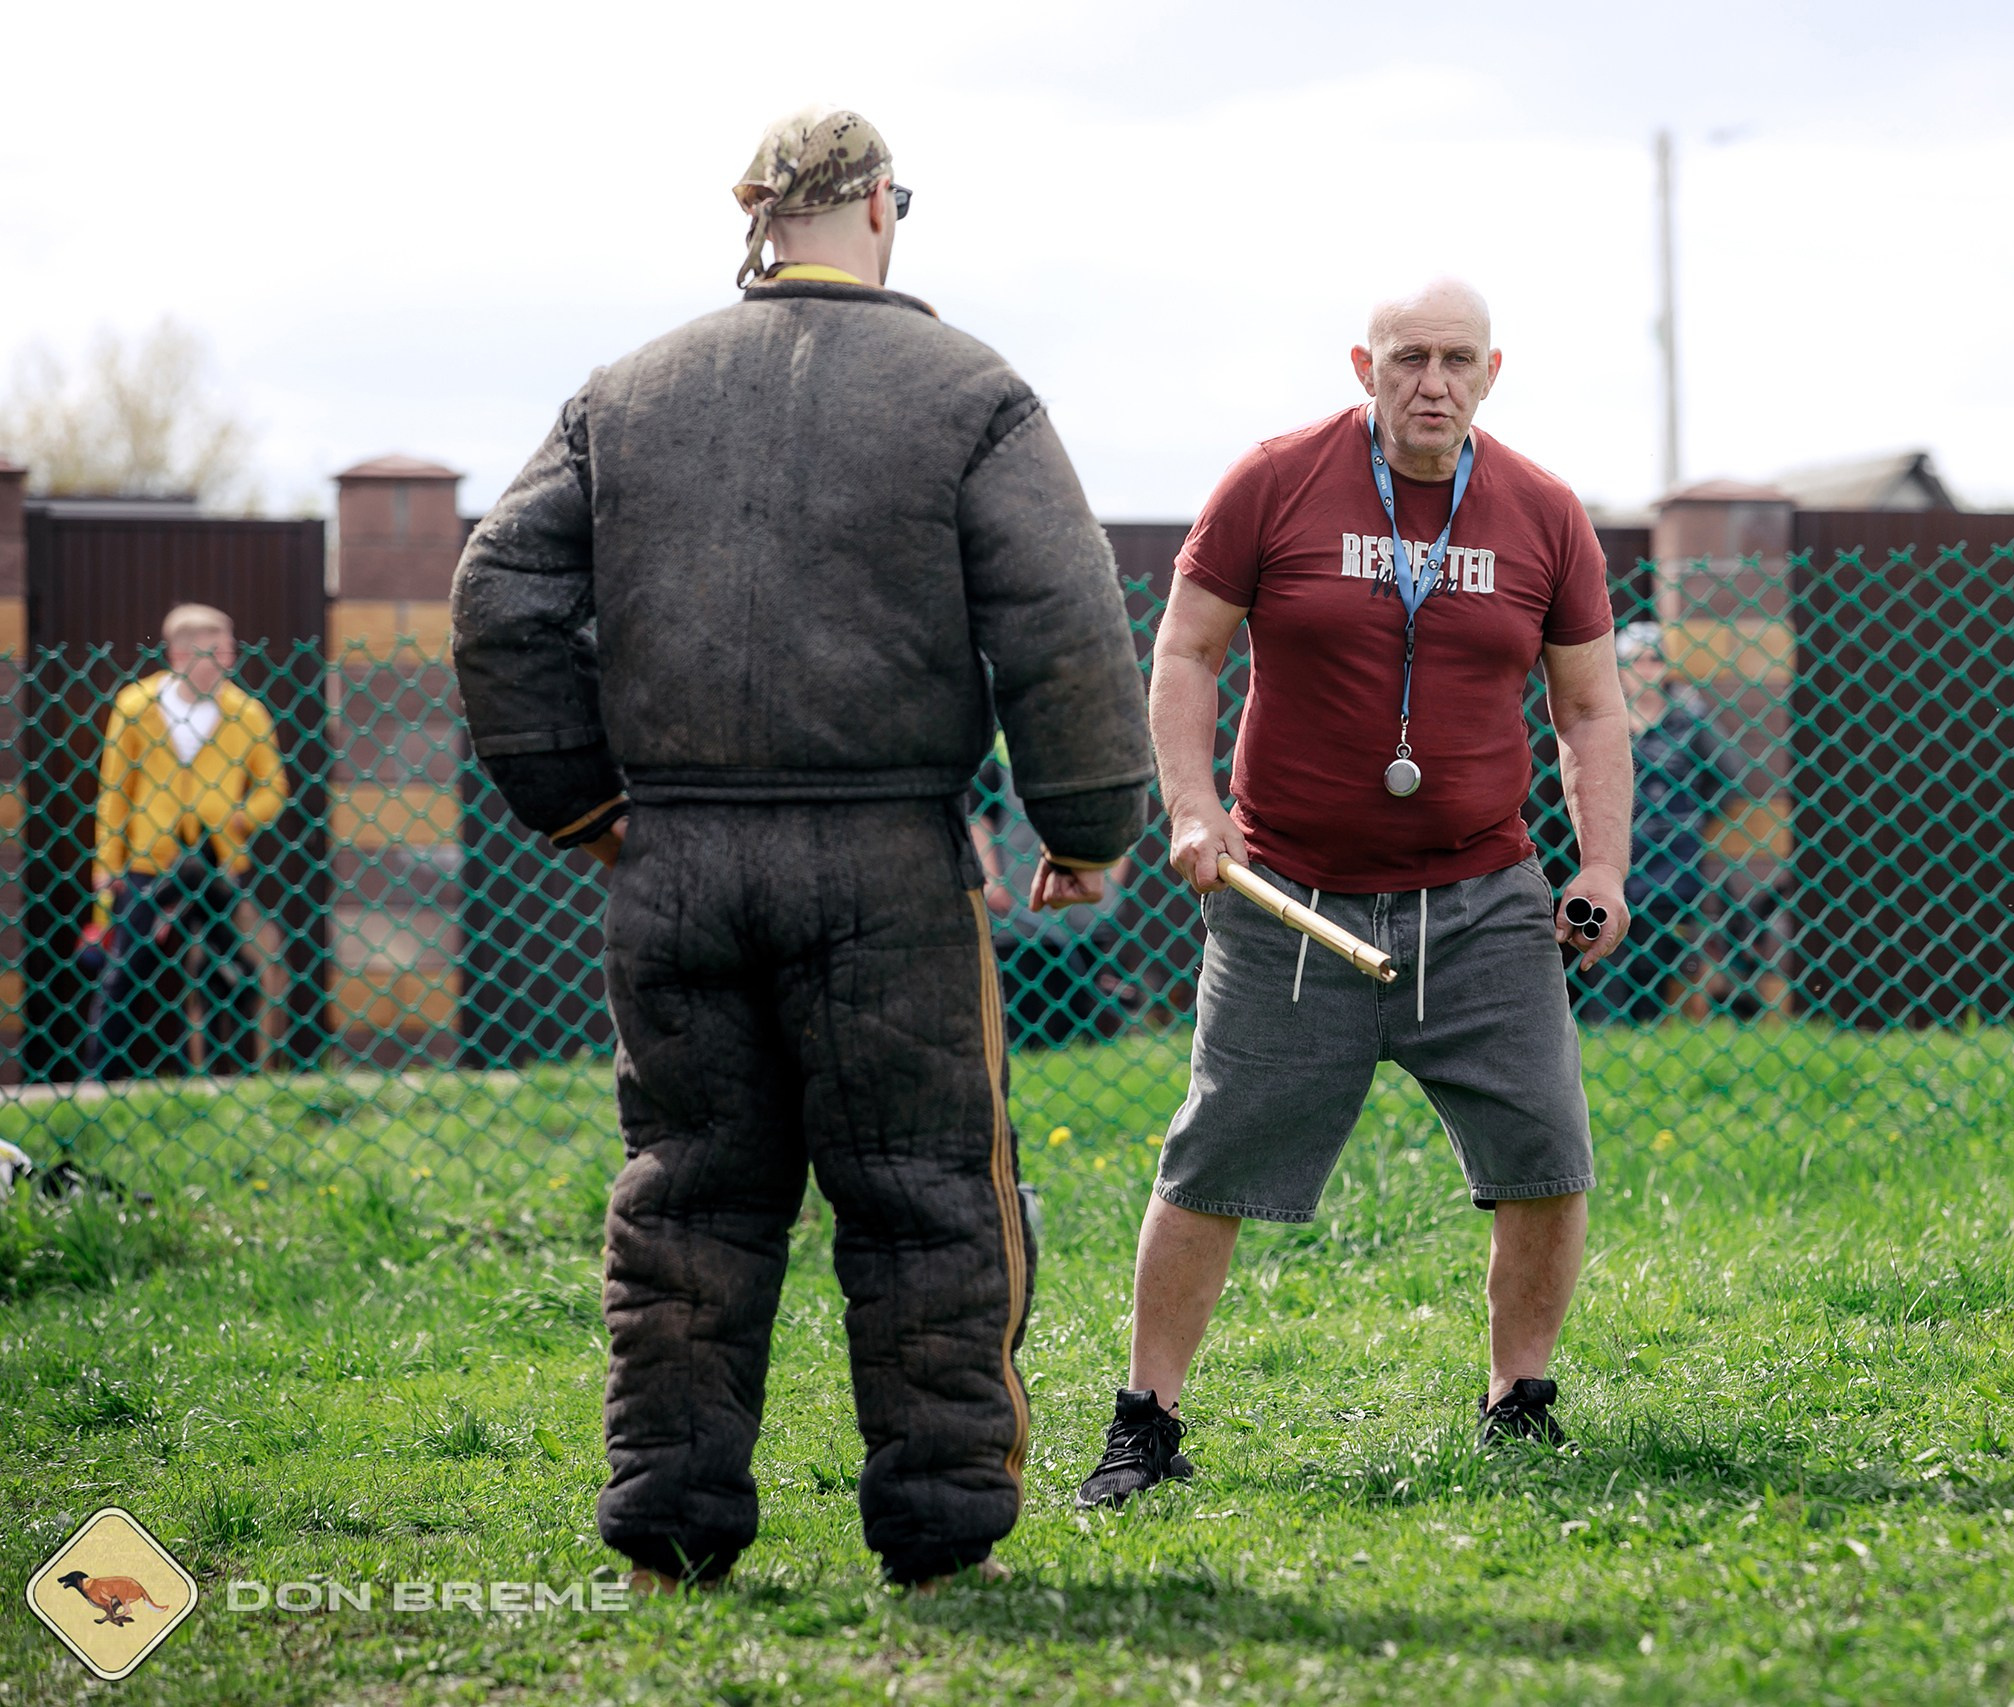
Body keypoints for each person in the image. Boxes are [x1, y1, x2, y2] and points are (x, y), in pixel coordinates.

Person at [449, 106, 1153, 1593]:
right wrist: (1089, 824)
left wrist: (578, 799)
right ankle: (940, 1531)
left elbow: (497, 589)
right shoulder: (971, 392)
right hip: (889, 857)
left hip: (675, 861)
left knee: (689, 1191)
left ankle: (669, 1526)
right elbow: (1068, 623)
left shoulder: (626, 392)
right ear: (890, 207)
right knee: (925, 1190)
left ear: (755, 210)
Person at [1075, 280, 1634, 1508]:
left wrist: (1600, 867)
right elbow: (1185, 650)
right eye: (1408, 358)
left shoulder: (1542, 512)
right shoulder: (1273, 484)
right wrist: (1191, 807)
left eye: (1457, 360)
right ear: (1363, 365)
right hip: (1291, 898)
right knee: (1211, 1159)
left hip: (1484, 898)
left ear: (1494, 373)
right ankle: (1146, 1421)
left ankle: (1519, 1399)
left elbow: (1588, 707)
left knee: (1546, 1152)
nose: (1431, 381)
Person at [89, 603, 284, 1079]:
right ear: (179, 653)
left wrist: (240, 817)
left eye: (230, 650)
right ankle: (99, 1081)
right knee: (126, 971)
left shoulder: (246, 713)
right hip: (150, 860)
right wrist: (106, 862)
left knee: (231, 968)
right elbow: (114, 791)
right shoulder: (135, 707)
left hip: (218, 862)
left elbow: (274, 787)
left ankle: (233, 1075)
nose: (227, 661)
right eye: (216, 650)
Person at [1600, 621, 1748, 1025]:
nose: (1646, 668)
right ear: (1619, 667)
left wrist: (1691, 819)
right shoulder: (1607, 716)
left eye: (1655, 659)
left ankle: (1647, 1025)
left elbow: (1731, 779)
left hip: (1672, 857)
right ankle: (1610, 1027)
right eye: (1635, 660)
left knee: (1658, 949)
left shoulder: (1689, 718)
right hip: (1617, 849)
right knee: (1610, 946)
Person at [971, 739, 1136, 1050]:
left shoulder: (1102, 748)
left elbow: (1125, 814)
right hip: (1020, 915)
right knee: (1023, 1014)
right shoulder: (1000, 755)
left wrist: (1112, 879)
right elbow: (979, 814)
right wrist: (991, 879)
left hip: (1086, 915)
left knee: (1084, 1004)